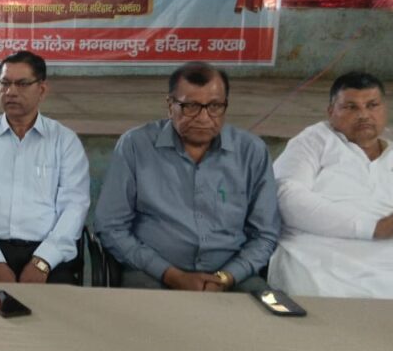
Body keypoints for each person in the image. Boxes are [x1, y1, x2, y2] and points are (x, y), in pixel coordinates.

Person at [95, 62, 280, 292]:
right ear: (170, 105)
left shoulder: (251, 151)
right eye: (190, 106)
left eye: (214, 106)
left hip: (231, 276)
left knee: (262, 311)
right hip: (152, 273)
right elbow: (110, 226)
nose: (203, 118)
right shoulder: (136, 146)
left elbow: (265, 234)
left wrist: (225, 278)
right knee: (144, 310)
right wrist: (172, 275)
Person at [268, 71, 393, 299]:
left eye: (372, 105)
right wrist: (371, 227)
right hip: (323, 258)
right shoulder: (313, 142)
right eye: (351, 107)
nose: (364, 115)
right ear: (331, 111)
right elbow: (286, 196)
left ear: (384, 109)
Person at [0, 51, 90, 284]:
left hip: (49, 254)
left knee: (60, 303)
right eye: (4, 83)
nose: (11, 92)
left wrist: (43, 262)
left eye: (22, 84)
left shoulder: (65, 141)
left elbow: (74, 207)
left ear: (42, 90)